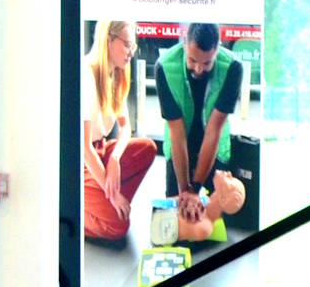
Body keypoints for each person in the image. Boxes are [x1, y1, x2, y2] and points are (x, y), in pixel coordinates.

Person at [155, 22, 246, 232]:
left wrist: (195, 188)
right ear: (184, 43)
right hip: (180, 142)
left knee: (216, 219)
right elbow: (176, 133)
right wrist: (185, 190)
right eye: (192, 60)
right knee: (177, 217)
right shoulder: (164, 67)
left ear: (217, 49)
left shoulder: (233, 68)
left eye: (207, 63)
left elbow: (214, 130)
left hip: (214, 144)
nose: (198, 69)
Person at [83, 19, 160, 243]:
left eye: (132, 46)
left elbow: (126, 127)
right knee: (118, 226)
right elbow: (85, 149)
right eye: (127, 44)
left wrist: (115, 158)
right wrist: (115, 195)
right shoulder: (85, 75)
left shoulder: (116, 75)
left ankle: (105, 199)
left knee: (148, 148)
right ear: (108, 40)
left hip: (102, 150)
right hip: (83, 161)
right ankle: (86, 207)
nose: (131, 52)